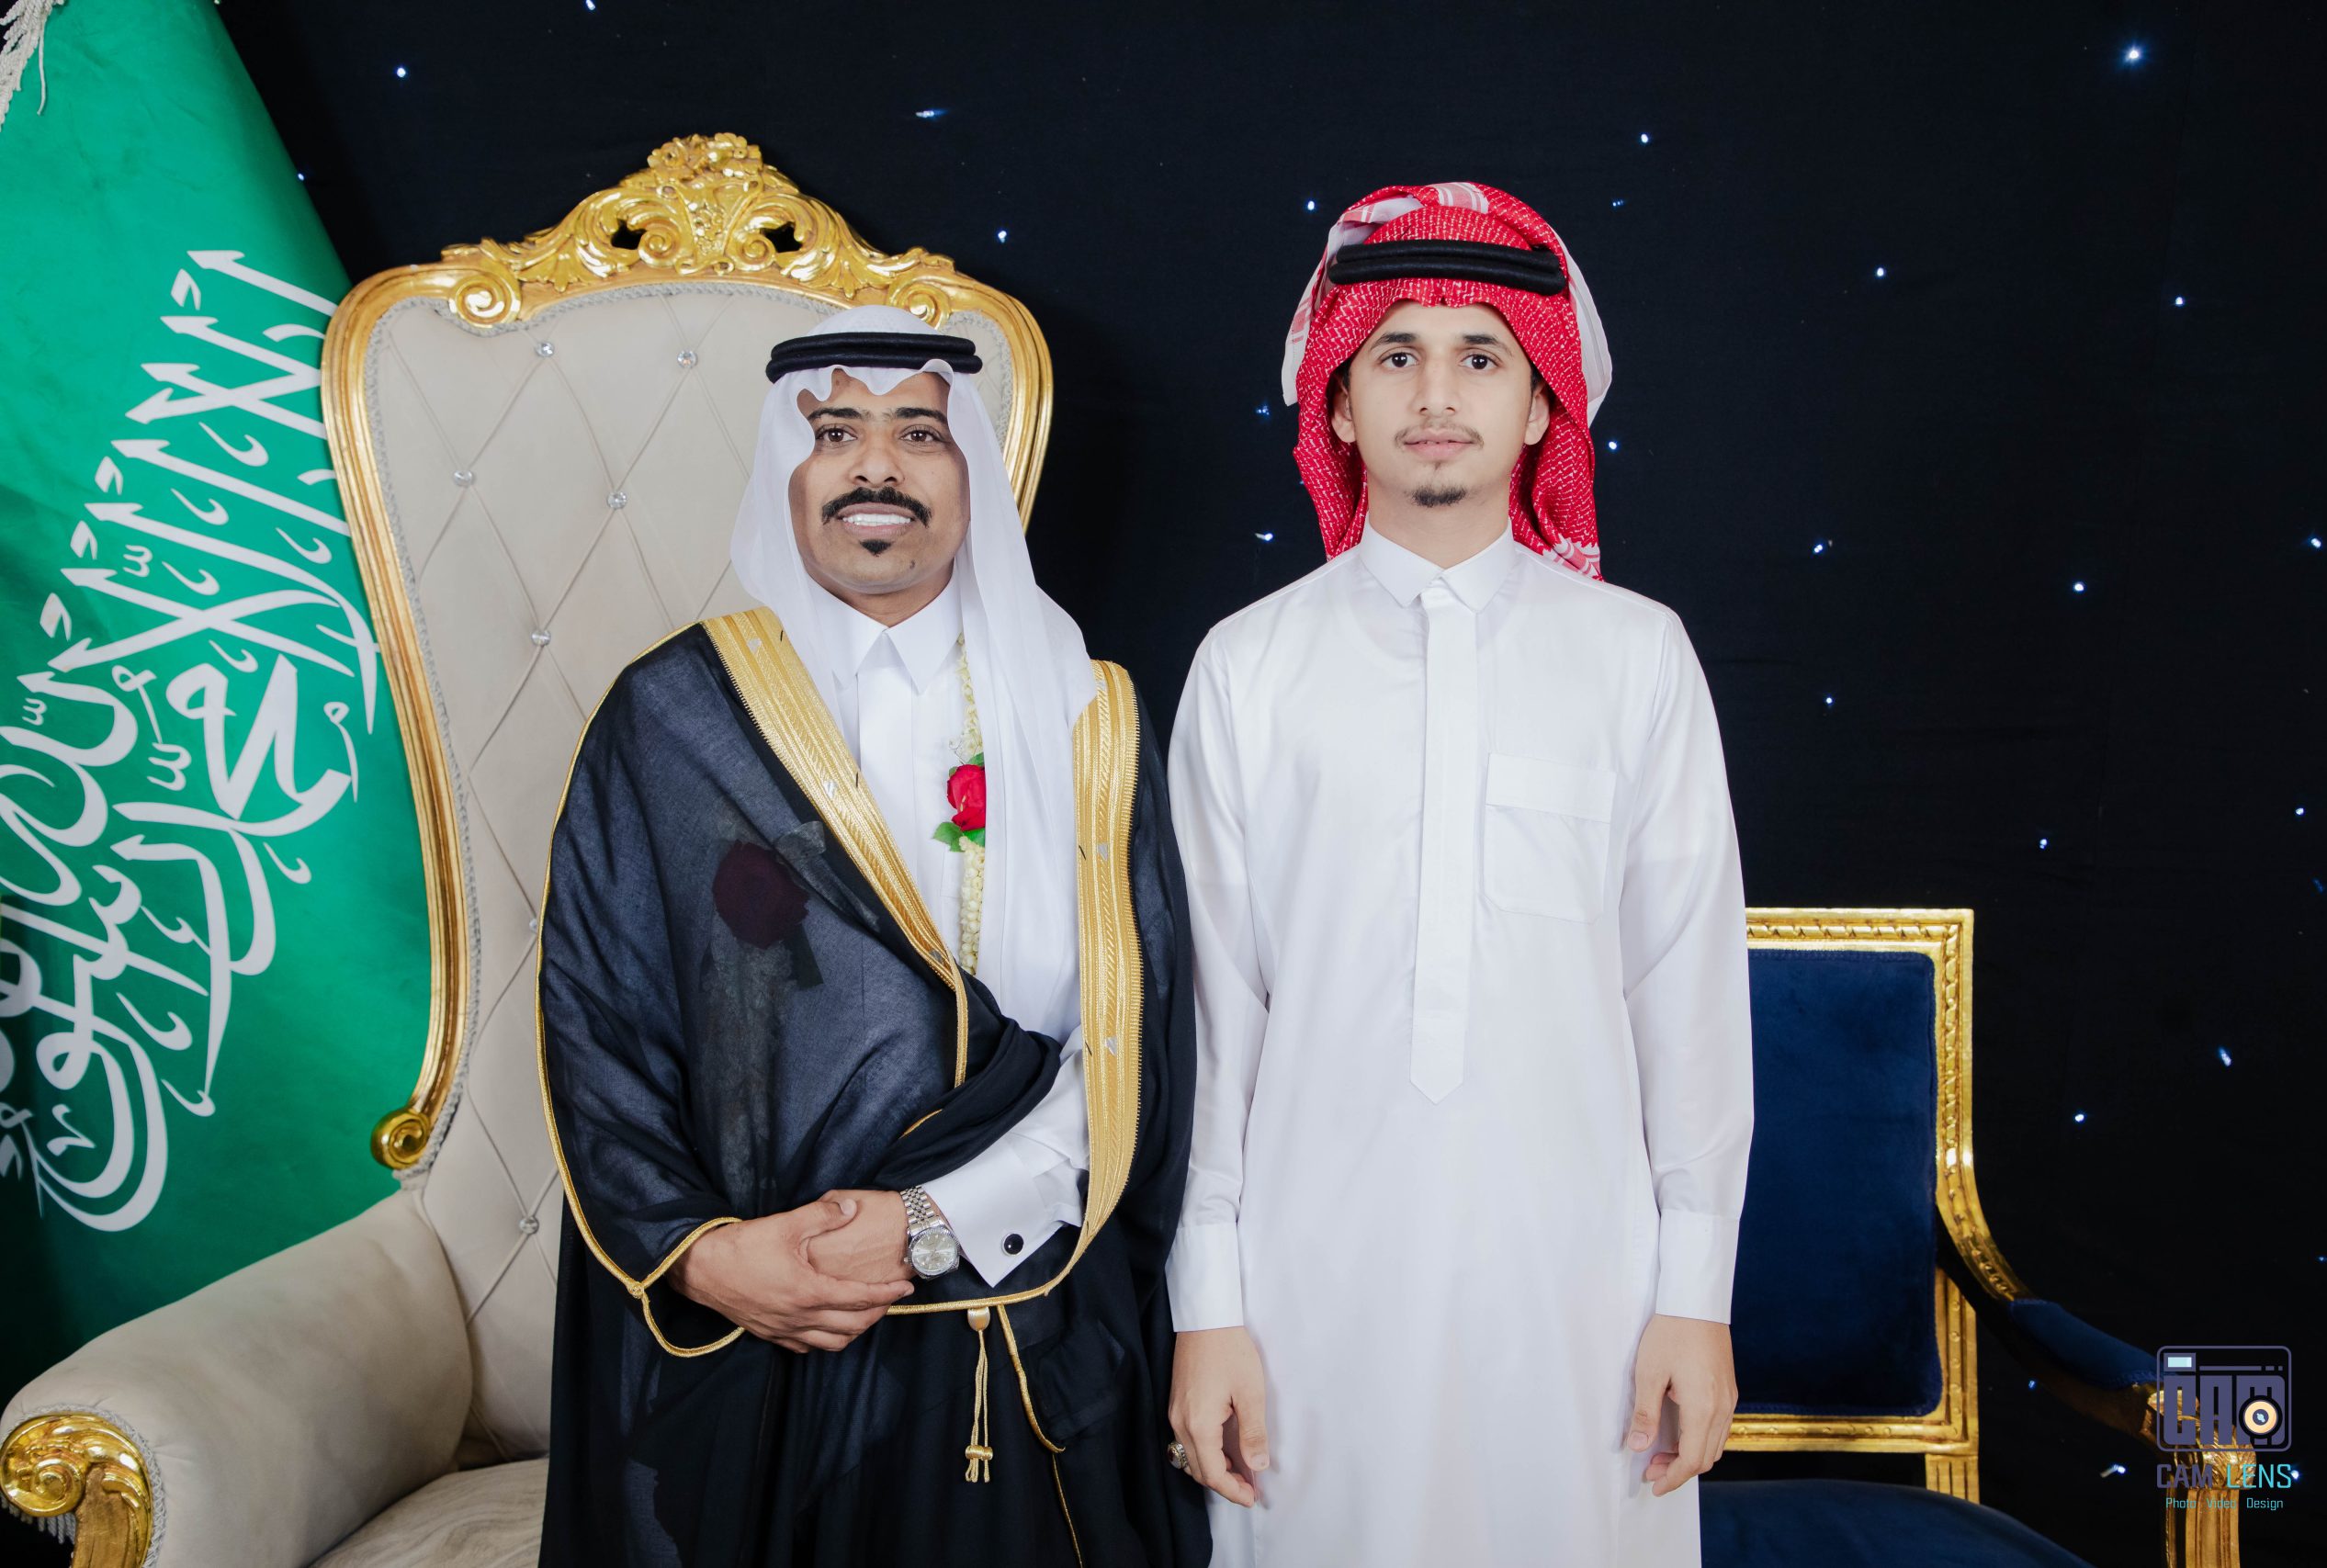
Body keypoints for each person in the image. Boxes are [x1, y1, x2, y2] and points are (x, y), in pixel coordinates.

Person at [537, 306, 1208, 1567]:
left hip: (1014, 1315)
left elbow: (1134, 1046)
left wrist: (939, 1220)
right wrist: (708, 1257)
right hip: (756, 1327)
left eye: (920, 433)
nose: (877, 467)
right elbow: (597, 1029)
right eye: (837, 432)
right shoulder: (671, 717)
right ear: (784, 476)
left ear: (973, 475)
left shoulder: (1088, 720)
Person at [1163, 184, 1755, 1566]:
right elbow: (1210, 1021)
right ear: (1339, 403)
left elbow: (1687, 1000)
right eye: (1397, 355)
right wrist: (1207, 1307)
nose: (1437, 393)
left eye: (1480, 356)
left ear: (1542, 405)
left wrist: (1695, 1294)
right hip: (1307, 1293)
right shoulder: (1248, 667)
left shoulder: (1636, 656)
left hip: (1586, 1291)